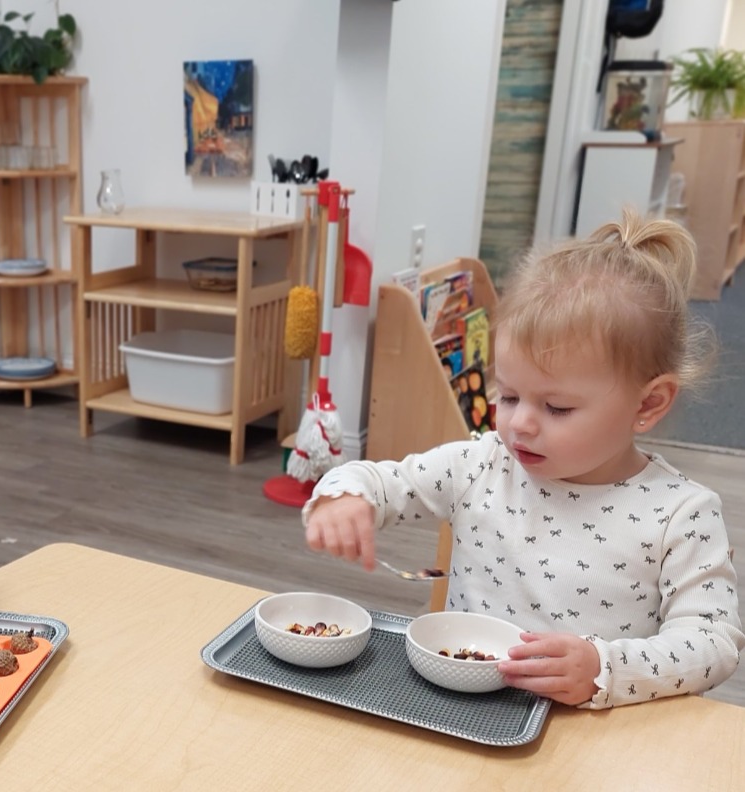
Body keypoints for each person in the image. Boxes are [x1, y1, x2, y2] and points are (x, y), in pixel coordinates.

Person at [303, 211, 743, 708]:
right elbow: (384, 481)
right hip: (464, 709)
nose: (520, 424)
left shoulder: (681, 514)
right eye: (509, 396)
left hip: (590, 740)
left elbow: (714, 644)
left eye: (556, 407)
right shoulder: (482, 464)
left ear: (648, 404)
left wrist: (606, 669)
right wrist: (344, 496)